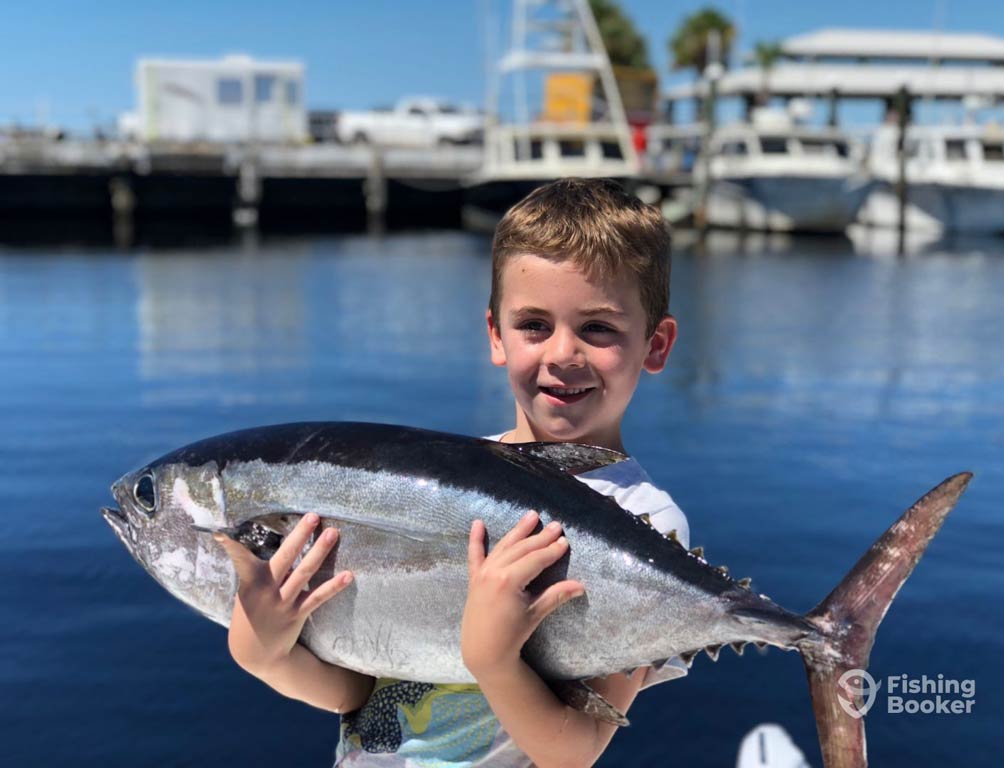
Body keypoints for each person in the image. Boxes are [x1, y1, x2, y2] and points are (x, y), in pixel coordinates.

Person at [215, 178, 690, 767]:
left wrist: (492, 658)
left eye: (598, 328)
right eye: (534, 325)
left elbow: (575, 751)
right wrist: (267, 654)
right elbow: (360, 694)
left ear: (656, 343)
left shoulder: (645, 521)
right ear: (496, 334)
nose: (562, 353)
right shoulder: (447, 487)